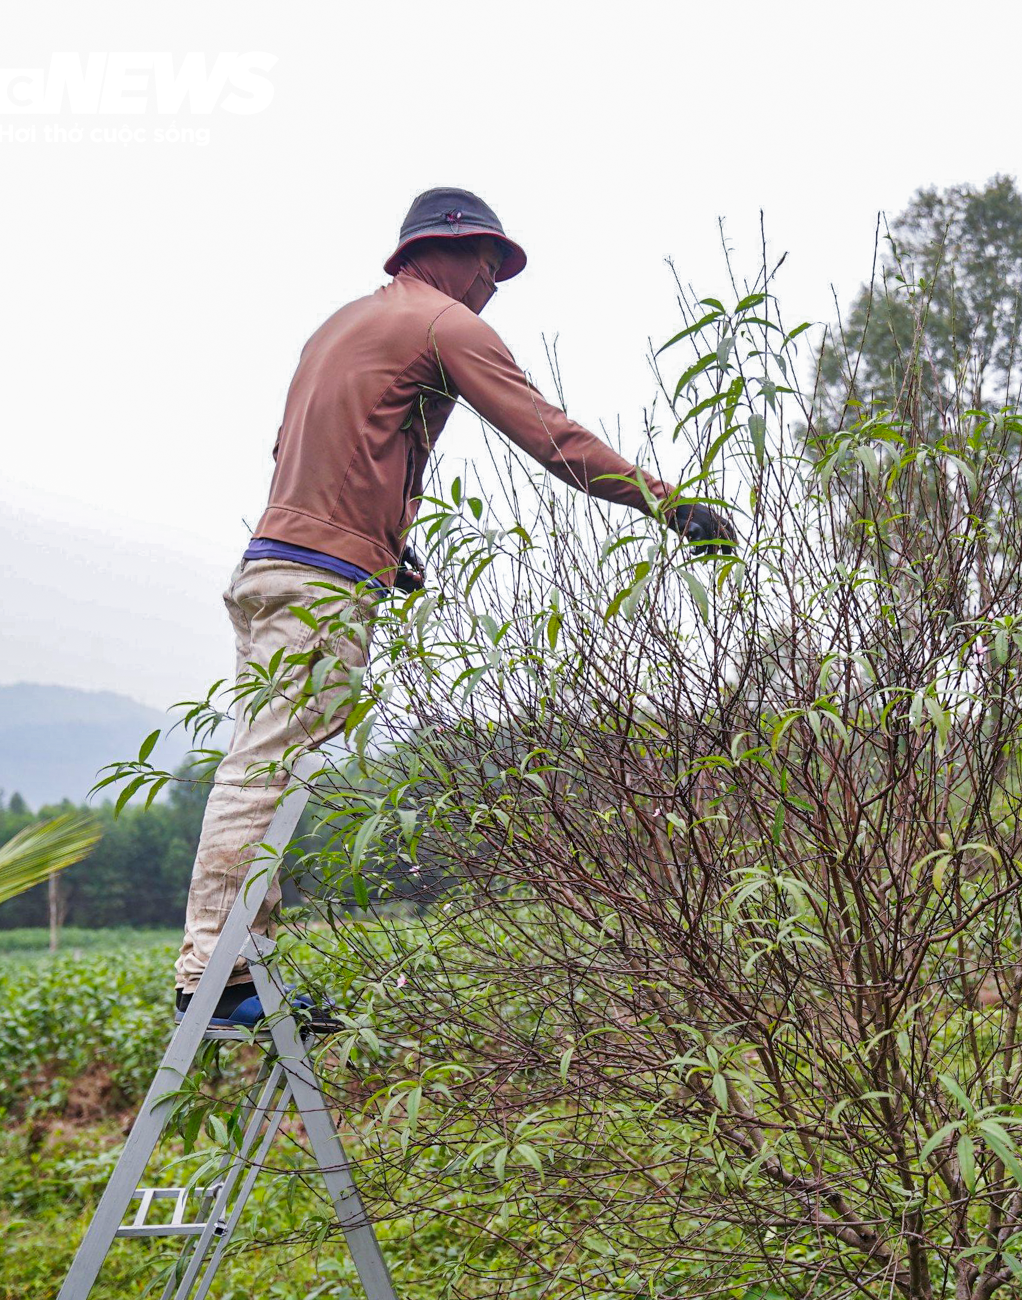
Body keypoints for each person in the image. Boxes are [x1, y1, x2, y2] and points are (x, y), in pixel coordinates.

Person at [175, 186, 733, 1025]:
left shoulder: (339, 326)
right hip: (319, 579)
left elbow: (306, 445)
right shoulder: (444, 323)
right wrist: (669, 505)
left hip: (270, 567)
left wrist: (384, 541)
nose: (494, 284)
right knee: (266, 770)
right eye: (490, 264)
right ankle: (213, 980)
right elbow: (552, 439)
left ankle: (235, 977)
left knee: (263, 760)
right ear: (449, 249)